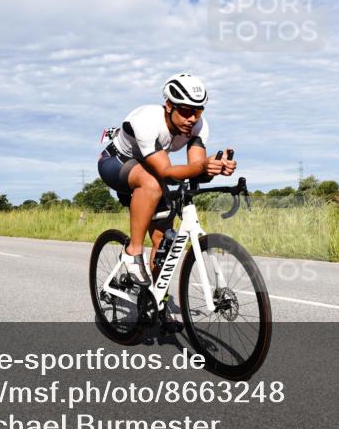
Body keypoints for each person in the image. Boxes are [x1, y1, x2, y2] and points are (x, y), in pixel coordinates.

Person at [97, 72, 236, 296]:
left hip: (149, 168)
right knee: (151, 184)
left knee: (164, 241)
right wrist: (202, 167)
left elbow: (195, 169)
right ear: (169, 105)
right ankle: (133, 251)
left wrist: (214, 168)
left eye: (198, 111)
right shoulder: (147, 120)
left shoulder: (198, 127)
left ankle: (155, 301)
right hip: (115, 163)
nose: (193, 118)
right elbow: (166, 171)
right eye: (186, 111)